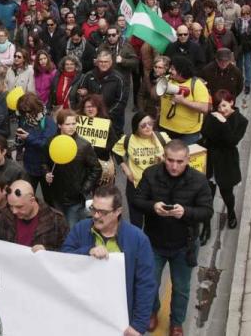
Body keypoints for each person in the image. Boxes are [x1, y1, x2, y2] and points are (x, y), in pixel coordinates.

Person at [132, 140, 213, 335]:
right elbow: (137, 200)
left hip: (184, 245)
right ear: (163, 158)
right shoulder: (151, 174)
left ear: (187, 160)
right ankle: (151, 312)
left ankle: (176, 322)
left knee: (182, 288)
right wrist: (153, 207)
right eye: (170, 160)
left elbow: (207, 211)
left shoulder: (199, 180)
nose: (174, 166)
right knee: (149, 282)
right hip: (154, 241)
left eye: (179, 161)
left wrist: (185, 212)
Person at [61, 184, 156, 336]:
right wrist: (87, 252)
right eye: (93, 209)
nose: (96, 216)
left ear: (118, 211)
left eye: (103, 212)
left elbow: (145, 285)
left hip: (119, 321)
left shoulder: (138, 240)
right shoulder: (81, 229)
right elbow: (64, 257)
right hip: (85, 315)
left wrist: (138, 325)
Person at [199, 89, 248, 245]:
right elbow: (204, 132)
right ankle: (206, 227)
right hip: (211, 160)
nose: (222, 110)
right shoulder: (212, 116)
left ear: (232, 102)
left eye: (224, 105)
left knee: (227, 193)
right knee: (207, 196)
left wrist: (223, 123)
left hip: (226, 162)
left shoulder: (241, 121)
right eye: (219, 106)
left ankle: (231, 212)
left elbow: (232, 141)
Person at [113, 112, 171, 228]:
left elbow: (175, 155)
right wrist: (126, 169)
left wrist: (164, 160)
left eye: (150, 123)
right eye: (143, 125)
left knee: (155, 221)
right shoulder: (128, 139)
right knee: (136, 221)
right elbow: (116, 151)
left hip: (157, 186)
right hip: (135, 186)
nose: (148, 127)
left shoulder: (162, 137)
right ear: (136, 127)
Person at [47, 109, 102, 227]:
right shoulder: (51, 142)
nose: (72, 127)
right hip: (57, 194)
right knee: (60, 226)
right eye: (67, 124)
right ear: (59, 125)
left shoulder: (83, 145)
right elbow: (45, 162)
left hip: (75, 198)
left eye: (74, 123)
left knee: (72, 228)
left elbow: (96, 169)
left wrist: (84, 189)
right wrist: (46, 172)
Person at [0, 179, 69, 252]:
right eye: (11, 206)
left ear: (32, 200)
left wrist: (47, 250)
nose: (14, 211)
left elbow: (67, 251)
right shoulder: (4, 217)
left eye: (19, 207)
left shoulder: (56, 219)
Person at [158, 56, 211, 145]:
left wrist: (183, 101)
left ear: (181, 71)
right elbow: (154, 94)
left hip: (188, 134)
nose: (170, 71)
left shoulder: (197, 84)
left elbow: (205, 108)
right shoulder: (166, 79)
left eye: (173, 69)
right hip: (165, 129)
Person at [15, 92, 57, 193]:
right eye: (24, 112)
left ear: (36, 108)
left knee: (49, 198)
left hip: (45, 167)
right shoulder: (24, 120)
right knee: (28, 194)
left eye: (29, 111)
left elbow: (46, 144)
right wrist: (19, 141)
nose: (27, 115)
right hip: (29, 165)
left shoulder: (48, 121)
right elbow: (22, 140)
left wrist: (28, 137)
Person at [79, 50, 128, 133]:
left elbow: (121, 101)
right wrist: (83, 94)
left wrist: (105, 116)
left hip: (112, 121)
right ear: (97, 62)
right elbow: (81, 97)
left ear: (111, 62)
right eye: (101, 61)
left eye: (106, 61)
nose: (103, 64)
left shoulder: (119, 78)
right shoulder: (88, 75)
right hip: (90, 120)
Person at [232, 5, 251, 96]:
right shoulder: (236, 22)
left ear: (250, 13)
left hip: (249, 47)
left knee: (248, 65)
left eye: (247, 13)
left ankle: (247, 85)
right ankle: (240, 82)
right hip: (239, 47)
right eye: (243, 13)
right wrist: (234, 46)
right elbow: (233, 34)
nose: (245, 15)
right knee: (239, 66)